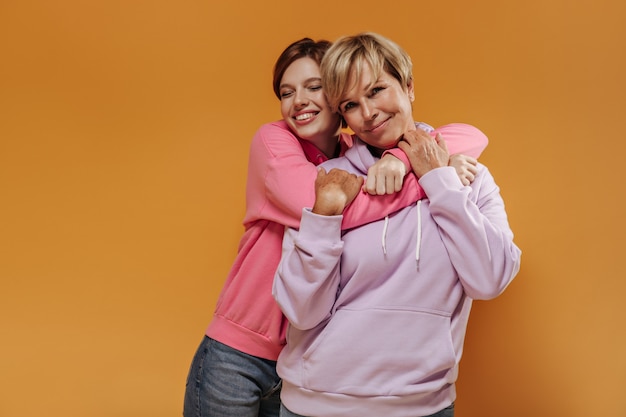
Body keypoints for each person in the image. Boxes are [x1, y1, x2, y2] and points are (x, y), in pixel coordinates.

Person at [183, 37, 488, 417]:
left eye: (314, 87)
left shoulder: (357, 154)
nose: (299, 101)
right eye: (286, 92)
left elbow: (469, 135)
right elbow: (317, 204)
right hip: (240, 354)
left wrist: (398, 158)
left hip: (303, 359)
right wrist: (428, 176)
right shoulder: (273, 141)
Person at [273, 32, 522, 417]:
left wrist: (439, 181)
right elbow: (302, 311)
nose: (368, 113)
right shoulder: (328, 181)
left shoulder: (467, 175)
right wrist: (324, 215)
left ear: (408, 86)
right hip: (316, 404)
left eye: (377, 90)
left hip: (423, 406)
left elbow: (490, 279)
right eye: (351, 104)